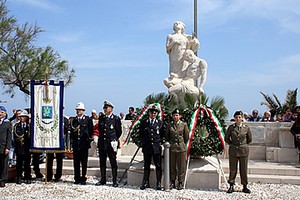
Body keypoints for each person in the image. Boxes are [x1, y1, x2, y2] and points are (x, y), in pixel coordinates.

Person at [96, 101, 122, 187]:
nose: (104, 109)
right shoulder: (102, 118)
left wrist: (114, 139)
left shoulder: (116, 119)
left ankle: (114, 180)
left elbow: (118, 132)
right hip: (102, 143)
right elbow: (100, 129)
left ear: (110, 109)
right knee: (102, 162)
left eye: (106, 108)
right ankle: (103, 179)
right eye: (104, 108)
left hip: (111, 143)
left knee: (113, 161)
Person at [225, 111, 252, 194]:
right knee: (233, 169)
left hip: (243, 150)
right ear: (234, 118)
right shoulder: (231, 128)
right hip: (233, 150)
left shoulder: (246, 128)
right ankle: (231, 185)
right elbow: (226, 138)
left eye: (239, 117)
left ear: (242, 118)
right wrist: (232, 144)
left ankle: (244, 186)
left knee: (243, 169)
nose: (238, 119)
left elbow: (249, 139)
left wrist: (242, 145)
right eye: (236, 117)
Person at [139, 105, 165, 190]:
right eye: (151, 112)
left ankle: (158, 182)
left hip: (156, 147)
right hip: (147, 147)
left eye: (154, 113)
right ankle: (145, 182)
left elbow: (162, 135)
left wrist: (159, 144)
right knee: (146, 165)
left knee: (158, 165)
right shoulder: (144, 122)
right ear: (149, 113)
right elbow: (141, 134)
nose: (153, 114)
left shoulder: (160, 123)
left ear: (157, 114)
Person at [70, 102, 93, 185]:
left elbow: (90, 131)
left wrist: (88, 140)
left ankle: (83, 177)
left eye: (80, 110)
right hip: (76, 144)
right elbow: (72, 133)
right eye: (77, 110)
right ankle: (77, 178)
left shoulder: (87, 120)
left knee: (84, 162)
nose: (78, 111)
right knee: (76, 162)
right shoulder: (74, 120)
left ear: (83, 111)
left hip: (84, 144)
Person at [165, 109, 189, 190]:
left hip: (181, 147)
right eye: (174, 115)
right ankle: (172, 181)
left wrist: (181, 143)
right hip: (172, 148)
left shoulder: (184, 125)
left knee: (181, 166)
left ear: (180, 116)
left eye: (177, 115)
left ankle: (180, 182)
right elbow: (167, 136)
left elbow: (186, 137)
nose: (175, 117)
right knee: (172, 166)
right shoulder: (169, 125)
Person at [46, 115, 69, 182]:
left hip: (60, 141)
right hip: (51, 141)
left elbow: (66, 130)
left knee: (59, 160)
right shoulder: (51, 118)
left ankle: (58, 176)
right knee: (49, 158)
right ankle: (49, 175)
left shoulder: (64, 119)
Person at [14, 110, 32, 184]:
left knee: (27, 163)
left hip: (27, 147)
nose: (22, 118)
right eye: (20, 117)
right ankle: (19, 177)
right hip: (19, 147)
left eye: (23, 117)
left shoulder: (29, 127)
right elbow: (15, 137)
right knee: (19, 164)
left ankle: (27, 177)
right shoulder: (16, 126)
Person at [0, 106, 12, 187]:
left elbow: (9, 137)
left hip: (3, 146)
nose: (0, 114)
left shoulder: (7, 123)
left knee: (4, 164)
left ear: (5, 114)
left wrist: (8, 147)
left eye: (1, 112)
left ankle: (2, 180)